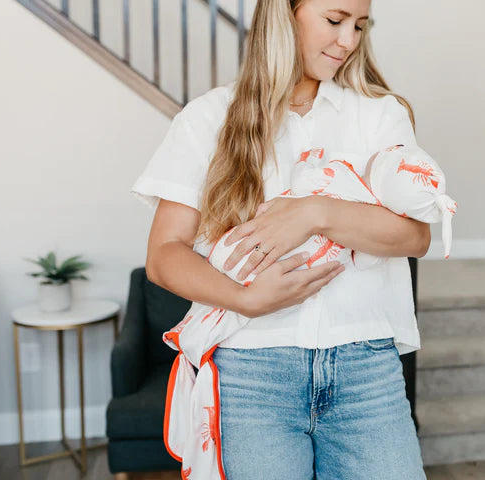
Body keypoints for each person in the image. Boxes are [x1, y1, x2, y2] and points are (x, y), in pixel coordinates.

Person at [131, 0, 432, 478]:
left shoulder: (380, 115)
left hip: (366, 373)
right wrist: (243, 298)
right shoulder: (207, 118)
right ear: (282, 14)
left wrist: (315, 212)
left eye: (359, 25)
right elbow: (164, 256)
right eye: (334, 21)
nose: (349, 40)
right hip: (251, 376)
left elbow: (417, 236)